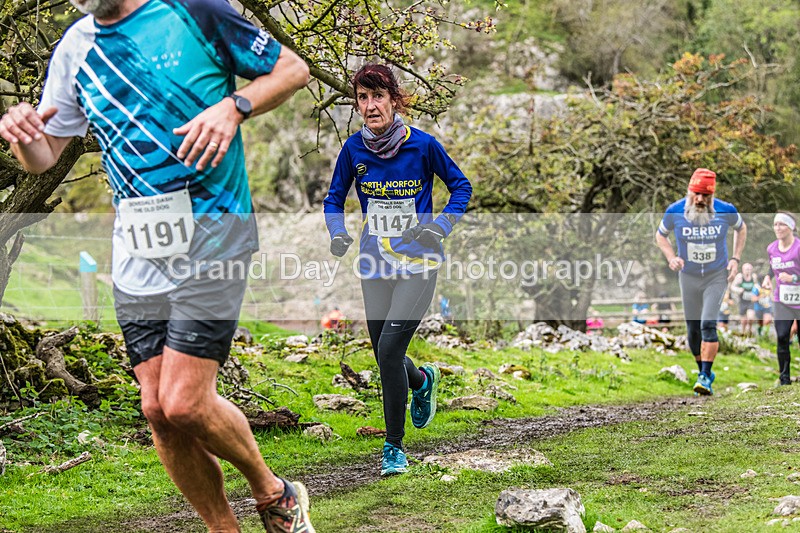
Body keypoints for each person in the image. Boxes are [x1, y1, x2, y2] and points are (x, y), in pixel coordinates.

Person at [0, 0, 314, 531]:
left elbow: (293, 69)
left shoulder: (194, 12)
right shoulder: (75, 47)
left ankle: (274, 492)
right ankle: (224, 527)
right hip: (139, 251)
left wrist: (233, 106)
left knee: (186, 403)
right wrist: (25, 138)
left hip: (215, 232)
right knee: (158, 413)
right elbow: (47, 155)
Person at [323, 64, 472, 476]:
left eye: (378, 96)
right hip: (374, 263)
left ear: (394, 99)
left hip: (418, 264)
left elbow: (461, 186)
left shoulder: (422, 146)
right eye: (362, 98)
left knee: (389, 351)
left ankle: (393, 447)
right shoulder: (354, 150)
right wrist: (338, 233)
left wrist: (440, 226)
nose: (370, 106)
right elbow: (333, 200)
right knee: (384, 353)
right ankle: (422, 381)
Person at [655, 168, 746, 395]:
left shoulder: (726, 210)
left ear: (712, 196)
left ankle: (705, 375)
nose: (700, 199)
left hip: (716, 275)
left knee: (707, 323)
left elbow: (741, 228)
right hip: (689, 276)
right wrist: (671, 257)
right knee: (693, 330)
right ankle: (702, 372)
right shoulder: (675, 211)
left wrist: (735, 259)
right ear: (689, 191)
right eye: (696, 193)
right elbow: (660, 235)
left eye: (705, 195)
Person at [767, 212, 800, 385]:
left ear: (791, 227)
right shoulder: (771, 248)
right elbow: (772, 265)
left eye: (782, 224)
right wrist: (767, 277)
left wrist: (794, 279)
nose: (777, 228)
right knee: (781, 335)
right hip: (783, 300)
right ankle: (784, 378)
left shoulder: (799, 248)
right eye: (775, 224)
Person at [731, 262, 758, 336]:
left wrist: (756, 292)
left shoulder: (753, 277)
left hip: (750, 301)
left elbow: (756, 286)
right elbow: (732, 287)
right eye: (746, 269)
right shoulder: (739, 277)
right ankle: (743, 332)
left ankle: (749, 329)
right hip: (742, 300)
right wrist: (739, 290)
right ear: (743, 270)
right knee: (743, 320)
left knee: (751, 317)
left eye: (749, 269)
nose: (748, 271)